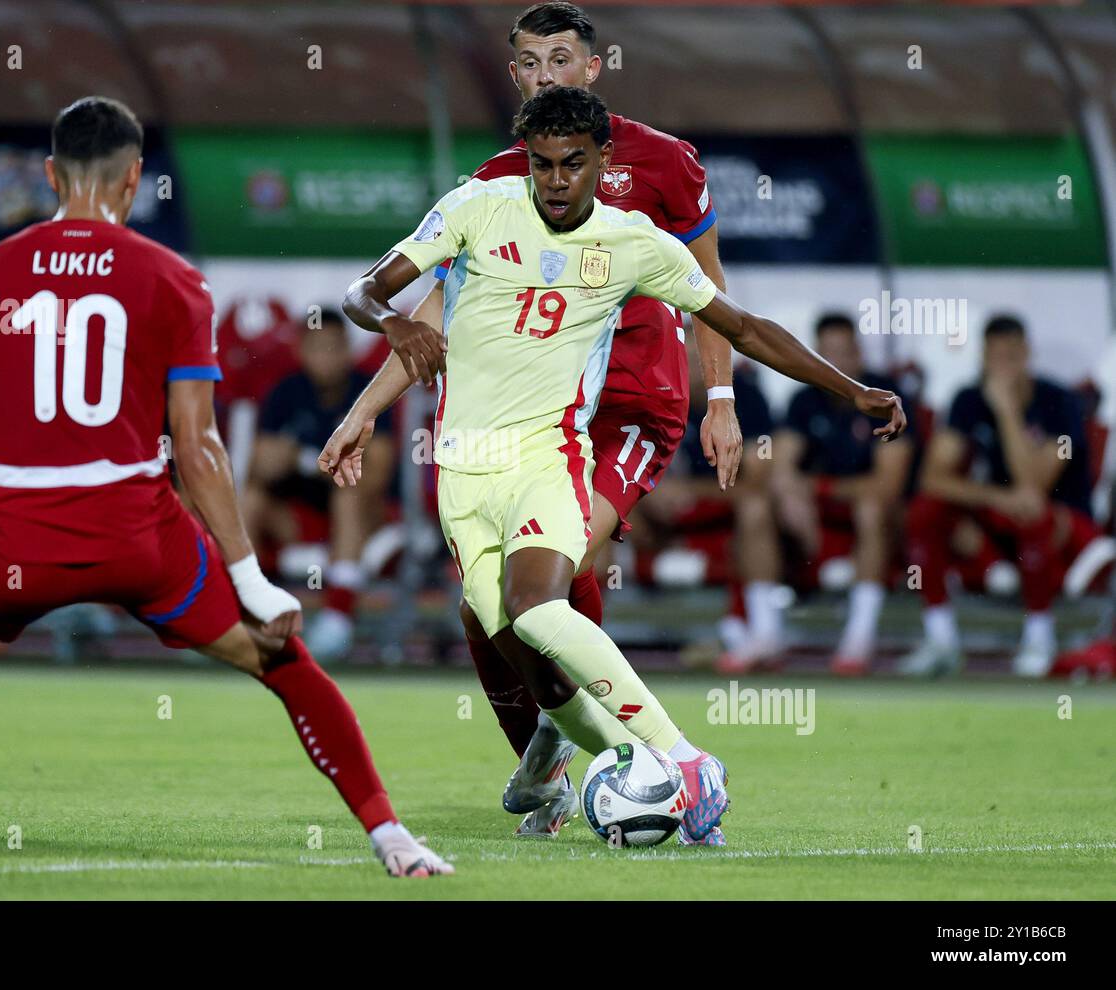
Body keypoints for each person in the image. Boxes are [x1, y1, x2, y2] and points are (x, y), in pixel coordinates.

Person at [325, 86, 905, 846]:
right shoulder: (476, 207)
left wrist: (851, 390)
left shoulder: (634, 243)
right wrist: (394, 322)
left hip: (548, 457)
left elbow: (745, 327)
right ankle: (632, 766)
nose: (557, 180)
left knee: (536, 606)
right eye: (542, 165)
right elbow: (361, 290)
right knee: (510, 639)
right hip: (463, 474)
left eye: (573, 163)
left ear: (604, 160)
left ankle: (688, 762)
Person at [0, 95, 451, 878]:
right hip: (139, 539)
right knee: (285, 662)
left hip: (9, 542)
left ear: (52, 174)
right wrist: (250, 578)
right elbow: (197, 448)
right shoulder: (170, 279)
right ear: (134, 180)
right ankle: (391, 837)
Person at [329, 0, 741, 839]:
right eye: (528, 61)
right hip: (519, 417)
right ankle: (557, 751)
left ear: (594, 66)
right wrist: (365, 408)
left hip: (630, 407)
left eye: (561, 58)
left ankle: (662, 762)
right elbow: (440, 310)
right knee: (487, 614)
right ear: (513, 74)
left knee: (553, 578)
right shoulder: (494, 185)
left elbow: (713, 292)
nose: (545, 74)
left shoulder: (664, 163)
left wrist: (722, 399)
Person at [900, 315, 1106, 678]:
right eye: (994, 358)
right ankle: (941, 639)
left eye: (1011, 356)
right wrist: (992, 498)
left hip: (1065, 525)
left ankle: (1040, 635)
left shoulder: (1061, 402)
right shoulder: (968, 399)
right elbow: (932, 479)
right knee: (925, 511)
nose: (1002, 367)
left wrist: (1007, 411)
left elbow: (1034, 483)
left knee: (1032, 511)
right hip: (1001, 517)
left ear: (1027, 354)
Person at [244, 308, 396, 660]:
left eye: (334, 347)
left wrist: (308, 461)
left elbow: (376, 476)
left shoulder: (370, 392)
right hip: (298, 522)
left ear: (348, 349)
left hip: (359, 522)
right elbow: (259, 465)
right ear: (301, 350)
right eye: (317, 347)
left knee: (349, 494)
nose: (326, 358)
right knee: (252, 499)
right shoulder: (286, 391)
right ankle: (244, 607)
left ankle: (338, 615)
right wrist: (278, 459)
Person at [629, 337, 783, 671]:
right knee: (617, 499)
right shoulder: (655, 396)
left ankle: (763, 631)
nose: (689, 369)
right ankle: (586, 636)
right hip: (668, 521)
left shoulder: (746, 397)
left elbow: (756, 483)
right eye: (681, 358)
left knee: (756, 508)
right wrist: (653, 489)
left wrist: (691, 490)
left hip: (728, 517)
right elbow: (630, 467)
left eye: (700, 359)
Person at [773, 314, 914, 676]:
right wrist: (791, 492)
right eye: (826, 353)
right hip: (821, 521)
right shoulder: (804, 399)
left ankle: (859, 635)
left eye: (843, 352)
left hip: (882, 522)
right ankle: (761, 630)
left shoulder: (885, 396)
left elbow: (887, 486)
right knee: (763, 502)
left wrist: (817, 487)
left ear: (859, 354)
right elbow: (782, 469)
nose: (835, 362)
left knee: (870, 507)